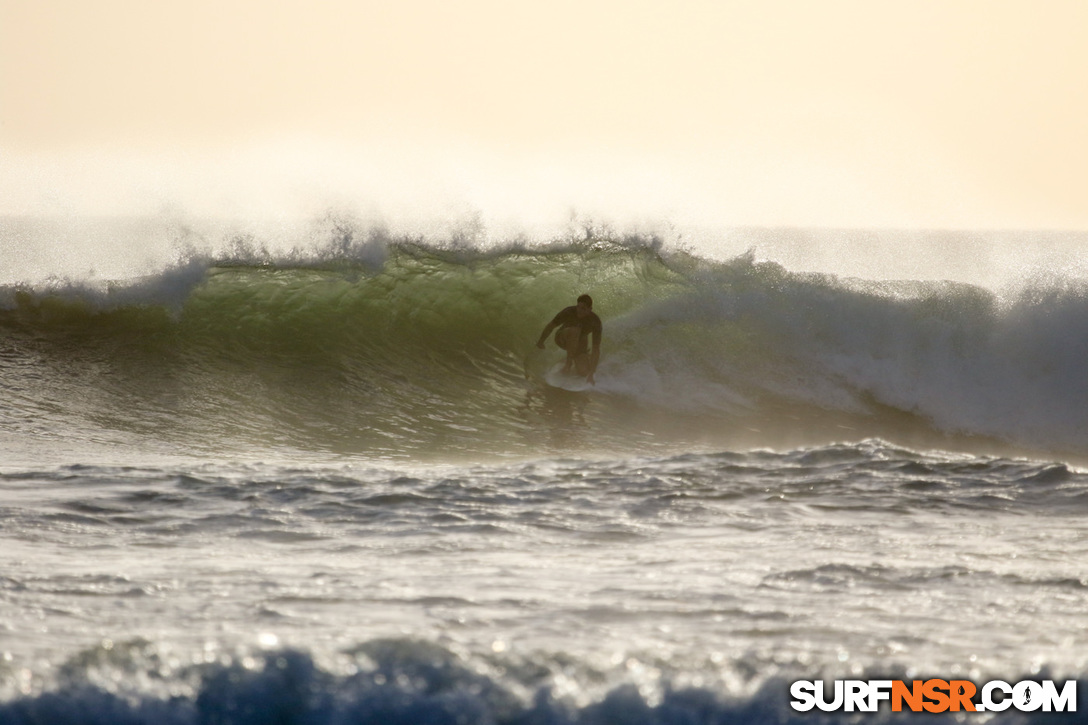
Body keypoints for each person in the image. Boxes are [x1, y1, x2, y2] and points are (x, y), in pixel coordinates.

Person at [536, 294, 602, 384]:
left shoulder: (595, 321)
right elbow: (551, 325)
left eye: (583, 309)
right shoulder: (569, 311)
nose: (579, 310)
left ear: (590, 309)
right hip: (562, 338)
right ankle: (568, 363)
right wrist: (541, 341)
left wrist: (591, 373)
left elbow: (596, 348)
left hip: (579, 344)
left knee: (584, 373)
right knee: (575, 331)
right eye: (578, 307)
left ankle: (579, 358)